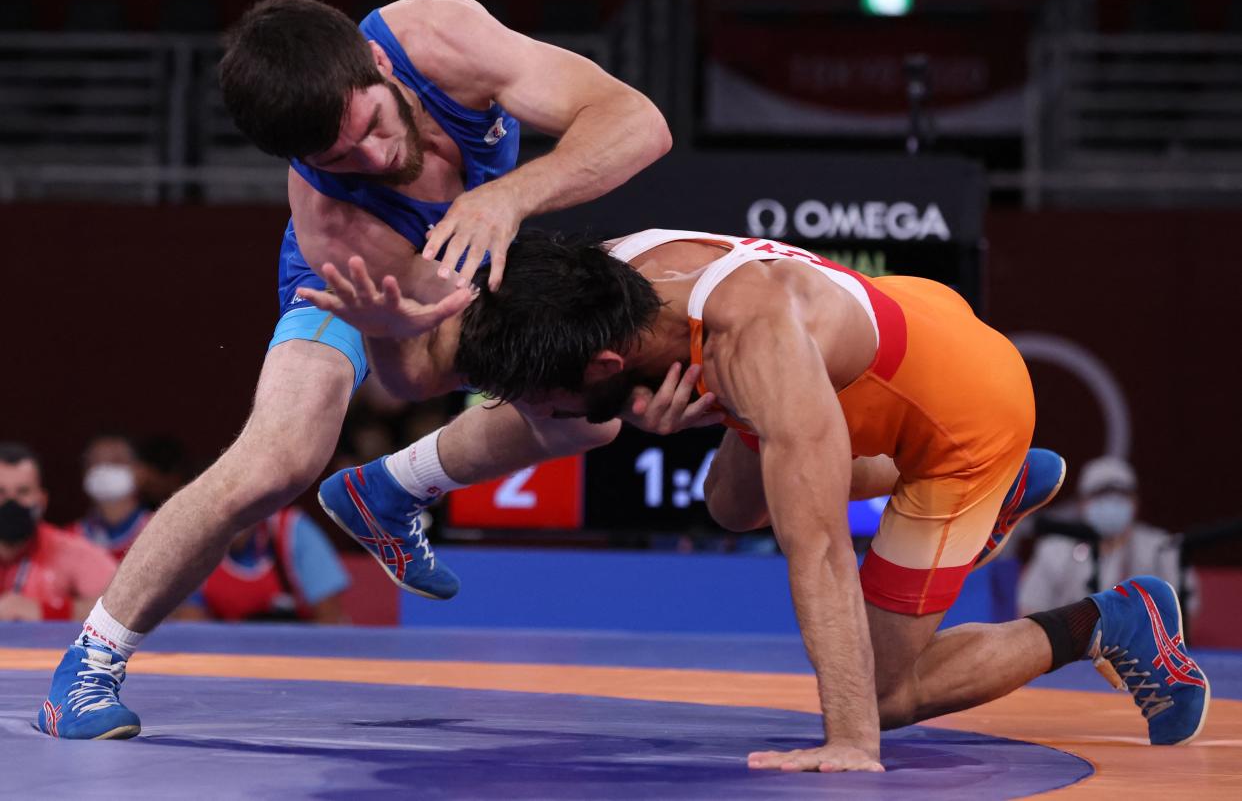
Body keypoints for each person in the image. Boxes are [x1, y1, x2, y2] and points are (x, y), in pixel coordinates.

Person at [316, 230, 1207, 768]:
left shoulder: (759, 354)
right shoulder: (609, 276)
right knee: (730, 505)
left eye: (552, 401)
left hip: (967, 416)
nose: (542, 423)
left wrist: (851, 737)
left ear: (607, 368)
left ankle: (1111, 621)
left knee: (885, 693)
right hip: (898, 331)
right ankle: (401, 483)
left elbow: (819, 550)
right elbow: (531, 373)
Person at [39, 0, 673, 740]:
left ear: (377, 64)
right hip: (361, 291)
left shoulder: (439, 36)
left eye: (372, 124)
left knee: (587, 423)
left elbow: (641, 124)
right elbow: (410, 379)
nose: (375, 158)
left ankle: (390, 490)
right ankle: (90, 663)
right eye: (341, 158)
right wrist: (383, 328)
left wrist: (508, 198)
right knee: (277, 461)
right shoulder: (334, 222)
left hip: (482, 237)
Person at [1019, 455, 1196, 617]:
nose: (1111, 502)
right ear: (1082, 503)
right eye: (1100, 495)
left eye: (1121, 495)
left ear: (1135, 502)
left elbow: (1185, 614)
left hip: (1144, 650)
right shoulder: (1053, 550)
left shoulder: (1162, 547)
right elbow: (1030, 613)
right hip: (1070, 650)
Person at [0, 443, 117, 623]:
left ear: (42, 500)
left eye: (23, 492)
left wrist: (47, 611)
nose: (10, 503)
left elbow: (124, 603)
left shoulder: (70, 550)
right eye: (1, 492)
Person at [172, 507, 350, 624]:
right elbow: (193, 625)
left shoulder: (293, 530)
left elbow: (330, 621)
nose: (232, 520)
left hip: (300, 658)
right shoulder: (196, 547)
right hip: (231, 660)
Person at [74, 435, 152, 560]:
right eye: (95, 463)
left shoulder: (159, 530)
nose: (104, 469)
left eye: (116, 461)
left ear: (140, 472)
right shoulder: (68, 539)